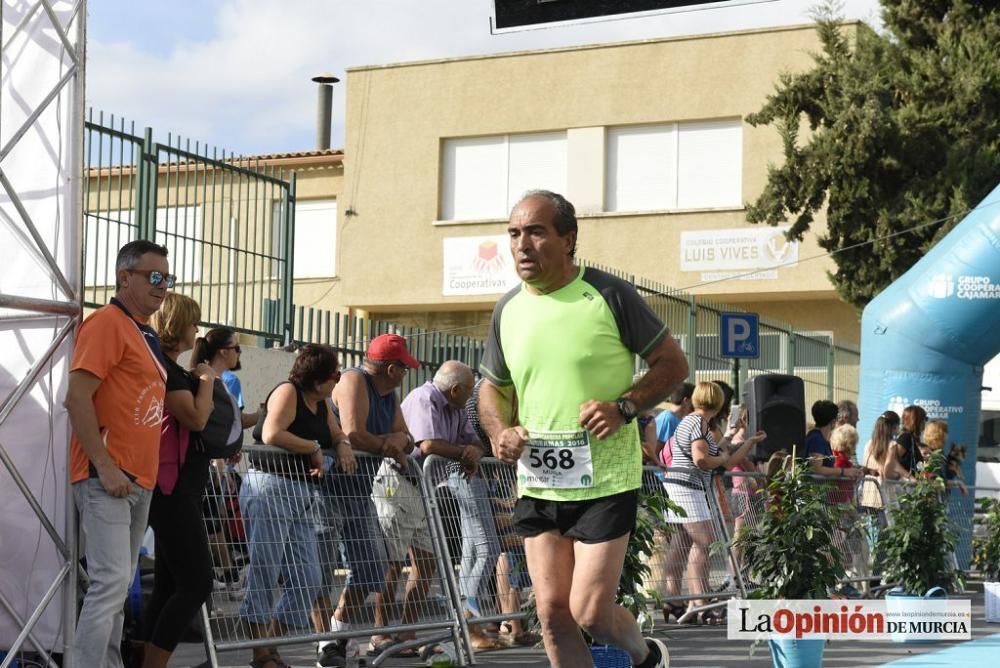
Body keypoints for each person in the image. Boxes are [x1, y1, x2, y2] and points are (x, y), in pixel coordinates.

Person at [478, 190, 689, 668]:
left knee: (589, 612)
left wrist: (625, 406)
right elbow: (492, 390)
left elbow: (673, 365)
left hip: (606, 478)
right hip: (541, 480)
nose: (522, 245)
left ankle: (644, 655)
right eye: (514, 234)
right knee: (552, 615)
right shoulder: (507, 310)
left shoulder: (610, 295)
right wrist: (499, 431)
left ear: (568, 239)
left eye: (536, 232)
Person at [64, 241, 171, 668]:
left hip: (134, 478)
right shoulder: (108, 323)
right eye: (154, 277)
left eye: (168, 278)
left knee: (116, 586)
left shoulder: (143, 330)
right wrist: (105, 466)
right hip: (107, 475)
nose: (163, 287)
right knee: (110, 585)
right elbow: (76, 398)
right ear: (124, 277)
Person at [239, 344, 354, 668]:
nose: (338, 379)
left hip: (301, 496)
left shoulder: (321, 404)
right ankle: (262, 654)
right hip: (270, 489)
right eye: (334, 374)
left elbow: (336, 433)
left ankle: (269, 643)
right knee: (265, 570)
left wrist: (342, 444)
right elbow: (272, 432)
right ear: (317, 379)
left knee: (308, 577)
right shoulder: (288, 392)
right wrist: (312, 447)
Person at [326, 333, 422, 664]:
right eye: (404, 367)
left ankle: (337, 634)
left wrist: (394, 441)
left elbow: (407, 440)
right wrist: (389, 444)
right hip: (329, 486)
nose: (406, 374)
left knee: (373, 566)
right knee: (318, 572)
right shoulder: (355, 380)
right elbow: (353, 434)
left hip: (360, 489)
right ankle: (326, 643)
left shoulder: (389, 394)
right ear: (392, 369)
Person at [402, 361, 507, 650]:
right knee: (485, 548)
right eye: (469, 390)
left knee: (447, 558)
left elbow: (475, 442)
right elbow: (428, 446)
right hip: (405, 484)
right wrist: (466, 453)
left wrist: (472, 451)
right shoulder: (425, 399)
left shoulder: (457, 407)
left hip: (434, 486)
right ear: (456, 389)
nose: (472, 395)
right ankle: (465, 621)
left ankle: (459, 626)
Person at [141, 293, 217, 668]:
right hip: (169, 489)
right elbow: (196, 418)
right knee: (197, 582)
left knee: (170, 584)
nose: (197, 330)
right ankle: (152, 663)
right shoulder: (166, 370)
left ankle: (143, 658)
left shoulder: (173, 369)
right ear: (177, 325)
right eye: (193, 322)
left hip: (179, 487)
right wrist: (206, 382)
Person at [662, 382, 764, 623]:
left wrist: (741, 443)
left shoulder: (692, 421)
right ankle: (700, 602)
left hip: (680, 487)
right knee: (705, 542)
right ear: (717, 403)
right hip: (689, 489)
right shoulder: (698, 424)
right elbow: (702, 459)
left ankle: (676, 600)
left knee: (683, 543)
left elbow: (719, 457)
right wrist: (723, 458)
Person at [804, 400, 863, 482]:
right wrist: (843, 471)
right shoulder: (816, 439)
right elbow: (816, 468)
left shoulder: (820, 438)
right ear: (833, 422)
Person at [654, 382, 695, 464]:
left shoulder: (678, 419)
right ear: (686, 401)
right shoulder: (668, 418)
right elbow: (655, 451)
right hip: (661, 473)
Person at [894, 405, 928, 474]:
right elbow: (892, 462)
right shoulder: (906, 438)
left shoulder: (911, 439)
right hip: (904, 484)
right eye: (925, 419)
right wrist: (909, 476)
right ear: (917, 421)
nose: (925, 422)